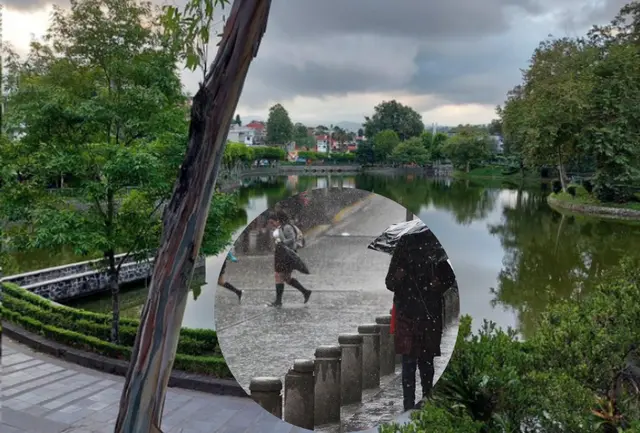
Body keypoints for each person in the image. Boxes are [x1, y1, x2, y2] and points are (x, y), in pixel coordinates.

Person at [385, 237, 450, 412]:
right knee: (408, 364)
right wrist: (398, 277)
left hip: (429, 316)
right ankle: (408, 406)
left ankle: (427, 403)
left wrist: (439, 284)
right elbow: (389, 282)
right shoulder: (402, 250)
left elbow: (449, 278)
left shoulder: (435, 250)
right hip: (407, 315)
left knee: (426, 364)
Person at [266, 210, 312, 306]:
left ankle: (278, 301)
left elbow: (292, 239)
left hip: (286, 256)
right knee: (286, 278)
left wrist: (281, 243)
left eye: (273, 222)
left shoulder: (286, 227)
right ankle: (305, 292)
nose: (272, 224)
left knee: (278, 276)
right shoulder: (282, 227)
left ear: (278, 219)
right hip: (284, 254)